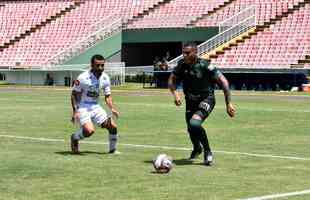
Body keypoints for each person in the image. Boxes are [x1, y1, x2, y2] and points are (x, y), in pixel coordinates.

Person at [168, 43, 236, 166]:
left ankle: (207, 151)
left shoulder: (205, 65)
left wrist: (228, 103)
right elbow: (172, 79)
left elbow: (224, 82)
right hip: (190, 102)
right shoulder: (181, 65)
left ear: (195, 52)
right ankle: (197, 148)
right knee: (191, 129)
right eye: (183, 52)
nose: (184, 55)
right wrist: (176, 94)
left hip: (207, 99)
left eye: (187, 53)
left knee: (194, 123)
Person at [70, 54, 120, 154]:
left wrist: (112, 108)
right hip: (83, 107)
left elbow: (107, 96)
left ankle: (112, 150)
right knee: (89, 131)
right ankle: (74, 137)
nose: (100, 68)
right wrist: (75, 111)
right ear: (92, 65)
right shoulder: (83, 77)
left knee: (113, 127)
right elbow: (73, 94)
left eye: (102, 65)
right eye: (98, 65)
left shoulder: (105, 78)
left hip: (96, 106)